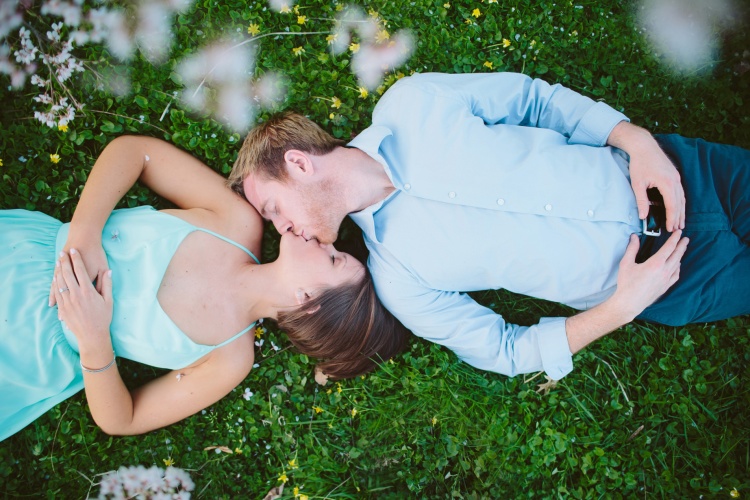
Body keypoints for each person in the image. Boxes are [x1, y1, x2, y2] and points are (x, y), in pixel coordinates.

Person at [228, 71, 750, 382]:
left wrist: (637, 142)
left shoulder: (412, 102)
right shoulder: (399, 279)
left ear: (298, 164)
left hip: (682, 172)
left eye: (274, 210)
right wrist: (622, 308)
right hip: (676, 282)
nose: (283, 232)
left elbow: (536, 101)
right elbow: (504, 351)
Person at [0, 135, 406, 442]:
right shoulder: (236, 221)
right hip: (21, 256)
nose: (329, 242)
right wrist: (84, 234)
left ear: (309, 302)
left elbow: (121, 419)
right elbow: (134, 153)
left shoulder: (230, 361)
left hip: (28, 352)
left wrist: (93, 342)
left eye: (335, 260)